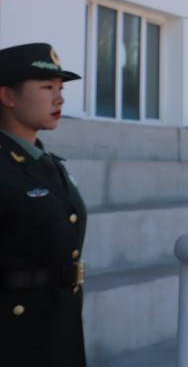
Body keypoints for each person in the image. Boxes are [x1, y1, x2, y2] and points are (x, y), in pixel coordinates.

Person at [0, 43, 87, 367]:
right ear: (8, 96)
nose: (59, 98)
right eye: (47, 87)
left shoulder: (47, 163)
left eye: (60, 88)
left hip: (56, 325)